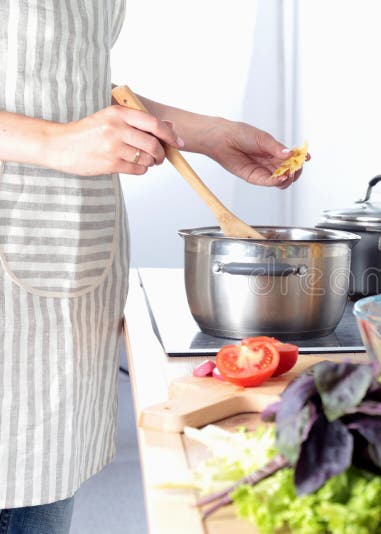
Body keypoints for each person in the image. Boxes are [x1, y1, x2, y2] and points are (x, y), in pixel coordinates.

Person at [0, 2, 305, 532]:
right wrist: (54, 143)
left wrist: (208, 135)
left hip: (63, 282)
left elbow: (58, 80)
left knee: (39, 492)